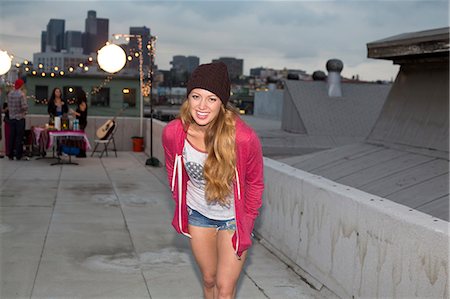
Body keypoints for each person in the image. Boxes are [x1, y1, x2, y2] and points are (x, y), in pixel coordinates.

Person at [162, 62, 264, 299]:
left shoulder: (243, 138)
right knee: (209, 281)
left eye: (211, 99)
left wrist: (246, 222)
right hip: (198, 215)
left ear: (222, 102)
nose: (202, 106)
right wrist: (182, 202)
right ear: (188, 98)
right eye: (196, 96)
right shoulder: (173, 133)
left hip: (232, 219)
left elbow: (255, 184)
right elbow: (173, 171)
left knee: (225, 288)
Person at [8, 79, 28, 160]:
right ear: (21, 85)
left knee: (12, 136)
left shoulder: (10, 94)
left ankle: (10, 154)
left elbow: (9, 105)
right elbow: (24, 107)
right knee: (19, 137)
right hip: (20, 118)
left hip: (11, 117)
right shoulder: (21, 94)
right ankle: (18, 154)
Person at [69, 89, 88, 157]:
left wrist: (74, 112)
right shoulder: (80, 104)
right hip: (79, 122)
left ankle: (82, 152)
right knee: (79, 137)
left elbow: (81, 114)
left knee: (81, 137)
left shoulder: (83, 103)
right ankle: (80, 151)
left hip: (82, 123)